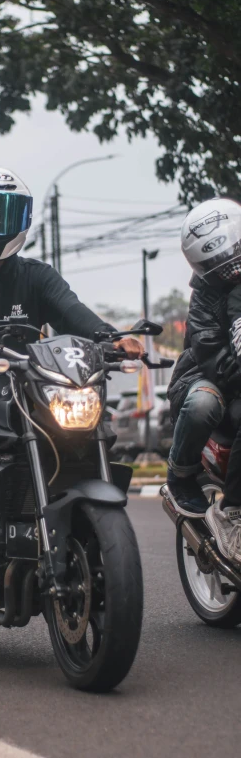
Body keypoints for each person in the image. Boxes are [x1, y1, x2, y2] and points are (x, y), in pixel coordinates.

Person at [0, 166, 144, 598]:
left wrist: (113, 338)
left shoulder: (36, 276)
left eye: (7, 211)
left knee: (86, 428)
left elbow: (74, 312)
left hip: (25, 388)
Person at [167, 197, 241, 566]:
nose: (227, 269)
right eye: (214, 263)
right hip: (206, 377)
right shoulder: (203, 301)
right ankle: (183, 476)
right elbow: (216, 359)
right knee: (203, 405)